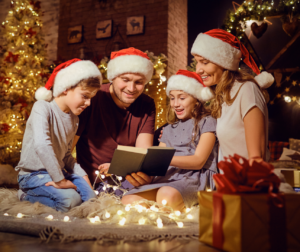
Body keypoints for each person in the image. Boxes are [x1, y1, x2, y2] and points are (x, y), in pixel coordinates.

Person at [121, 70, 218, 211]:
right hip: (169, 177)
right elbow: (157, 166)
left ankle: (169, 210)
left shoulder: (207, 122)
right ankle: (157, 217)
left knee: (165, 196)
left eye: (182, 98)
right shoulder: (168, 129)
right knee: (128, 200)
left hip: (194, 178)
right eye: (172, 98)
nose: (175, 104)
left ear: (196, 99)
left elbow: (199, 161)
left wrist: (165, 158)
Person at [15, 59, 102, 212]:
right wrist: (60, 181)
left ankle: (63, 187)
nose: (88, 103)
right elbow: (42, 145)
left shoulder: (74, 119)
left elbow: (66, 155)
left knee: (91, 200)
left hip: (58, 171)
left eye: (91, 98)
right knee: (70, 201)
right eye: (85, 96)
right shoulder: (42, 107)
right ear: (65, 88)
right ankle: (25, 195)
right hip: (33, 175)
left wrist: (83, 177)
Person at [73, 47, 156, 191]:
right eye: (125, 80)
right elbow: (67, 149)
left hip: (128, 179)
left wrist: (121, 168)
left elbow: (142, 152)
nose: (131, 88)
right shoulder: (93, 97)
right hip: (92, 182)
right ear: (113, 77)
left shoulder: (147, 104)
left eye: (139, 82)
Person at [191, 29, 274, 165]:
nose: (198, 70)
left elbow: (257, 160)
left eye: (204, 62)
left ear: (224, 63)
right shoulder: (223, 97)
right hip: (227, 182)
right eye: (197, 62)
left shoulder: (247, 90)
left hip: (246, 183)